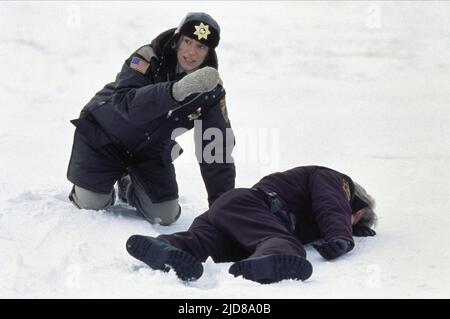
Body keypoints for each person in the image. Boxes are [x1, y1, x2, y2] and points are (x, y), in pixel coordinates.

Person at [67, 12, 235, 226]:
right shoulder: (148, 56)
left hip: (149, 152)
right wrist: (176, 91)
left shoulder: (210, 90)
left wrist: (223, 208)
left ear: (209, 53)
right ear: (177, 40)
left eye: (201, 47)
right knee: (93, 202)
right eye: (188, 41)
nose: (191, 52)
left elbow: (214, 147)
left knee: (164, 216)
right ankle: (97, 186)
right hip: (103, 137)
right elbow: (126, 104)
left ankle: (127, 183)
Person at [126, 165, 377, 284]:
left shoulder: (316, 214)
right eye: (354, 218)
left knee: (201, 243)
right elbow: (331, 205)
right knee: (283, 243)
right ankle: (273, 256)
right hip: (253, 206)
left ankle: (167, 246)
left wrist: (349, 230)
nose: (351, 222)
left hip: (233, 218)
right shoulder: (336, 181)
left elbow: (327, 214)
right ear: (357, 206)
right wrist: (341, 235)